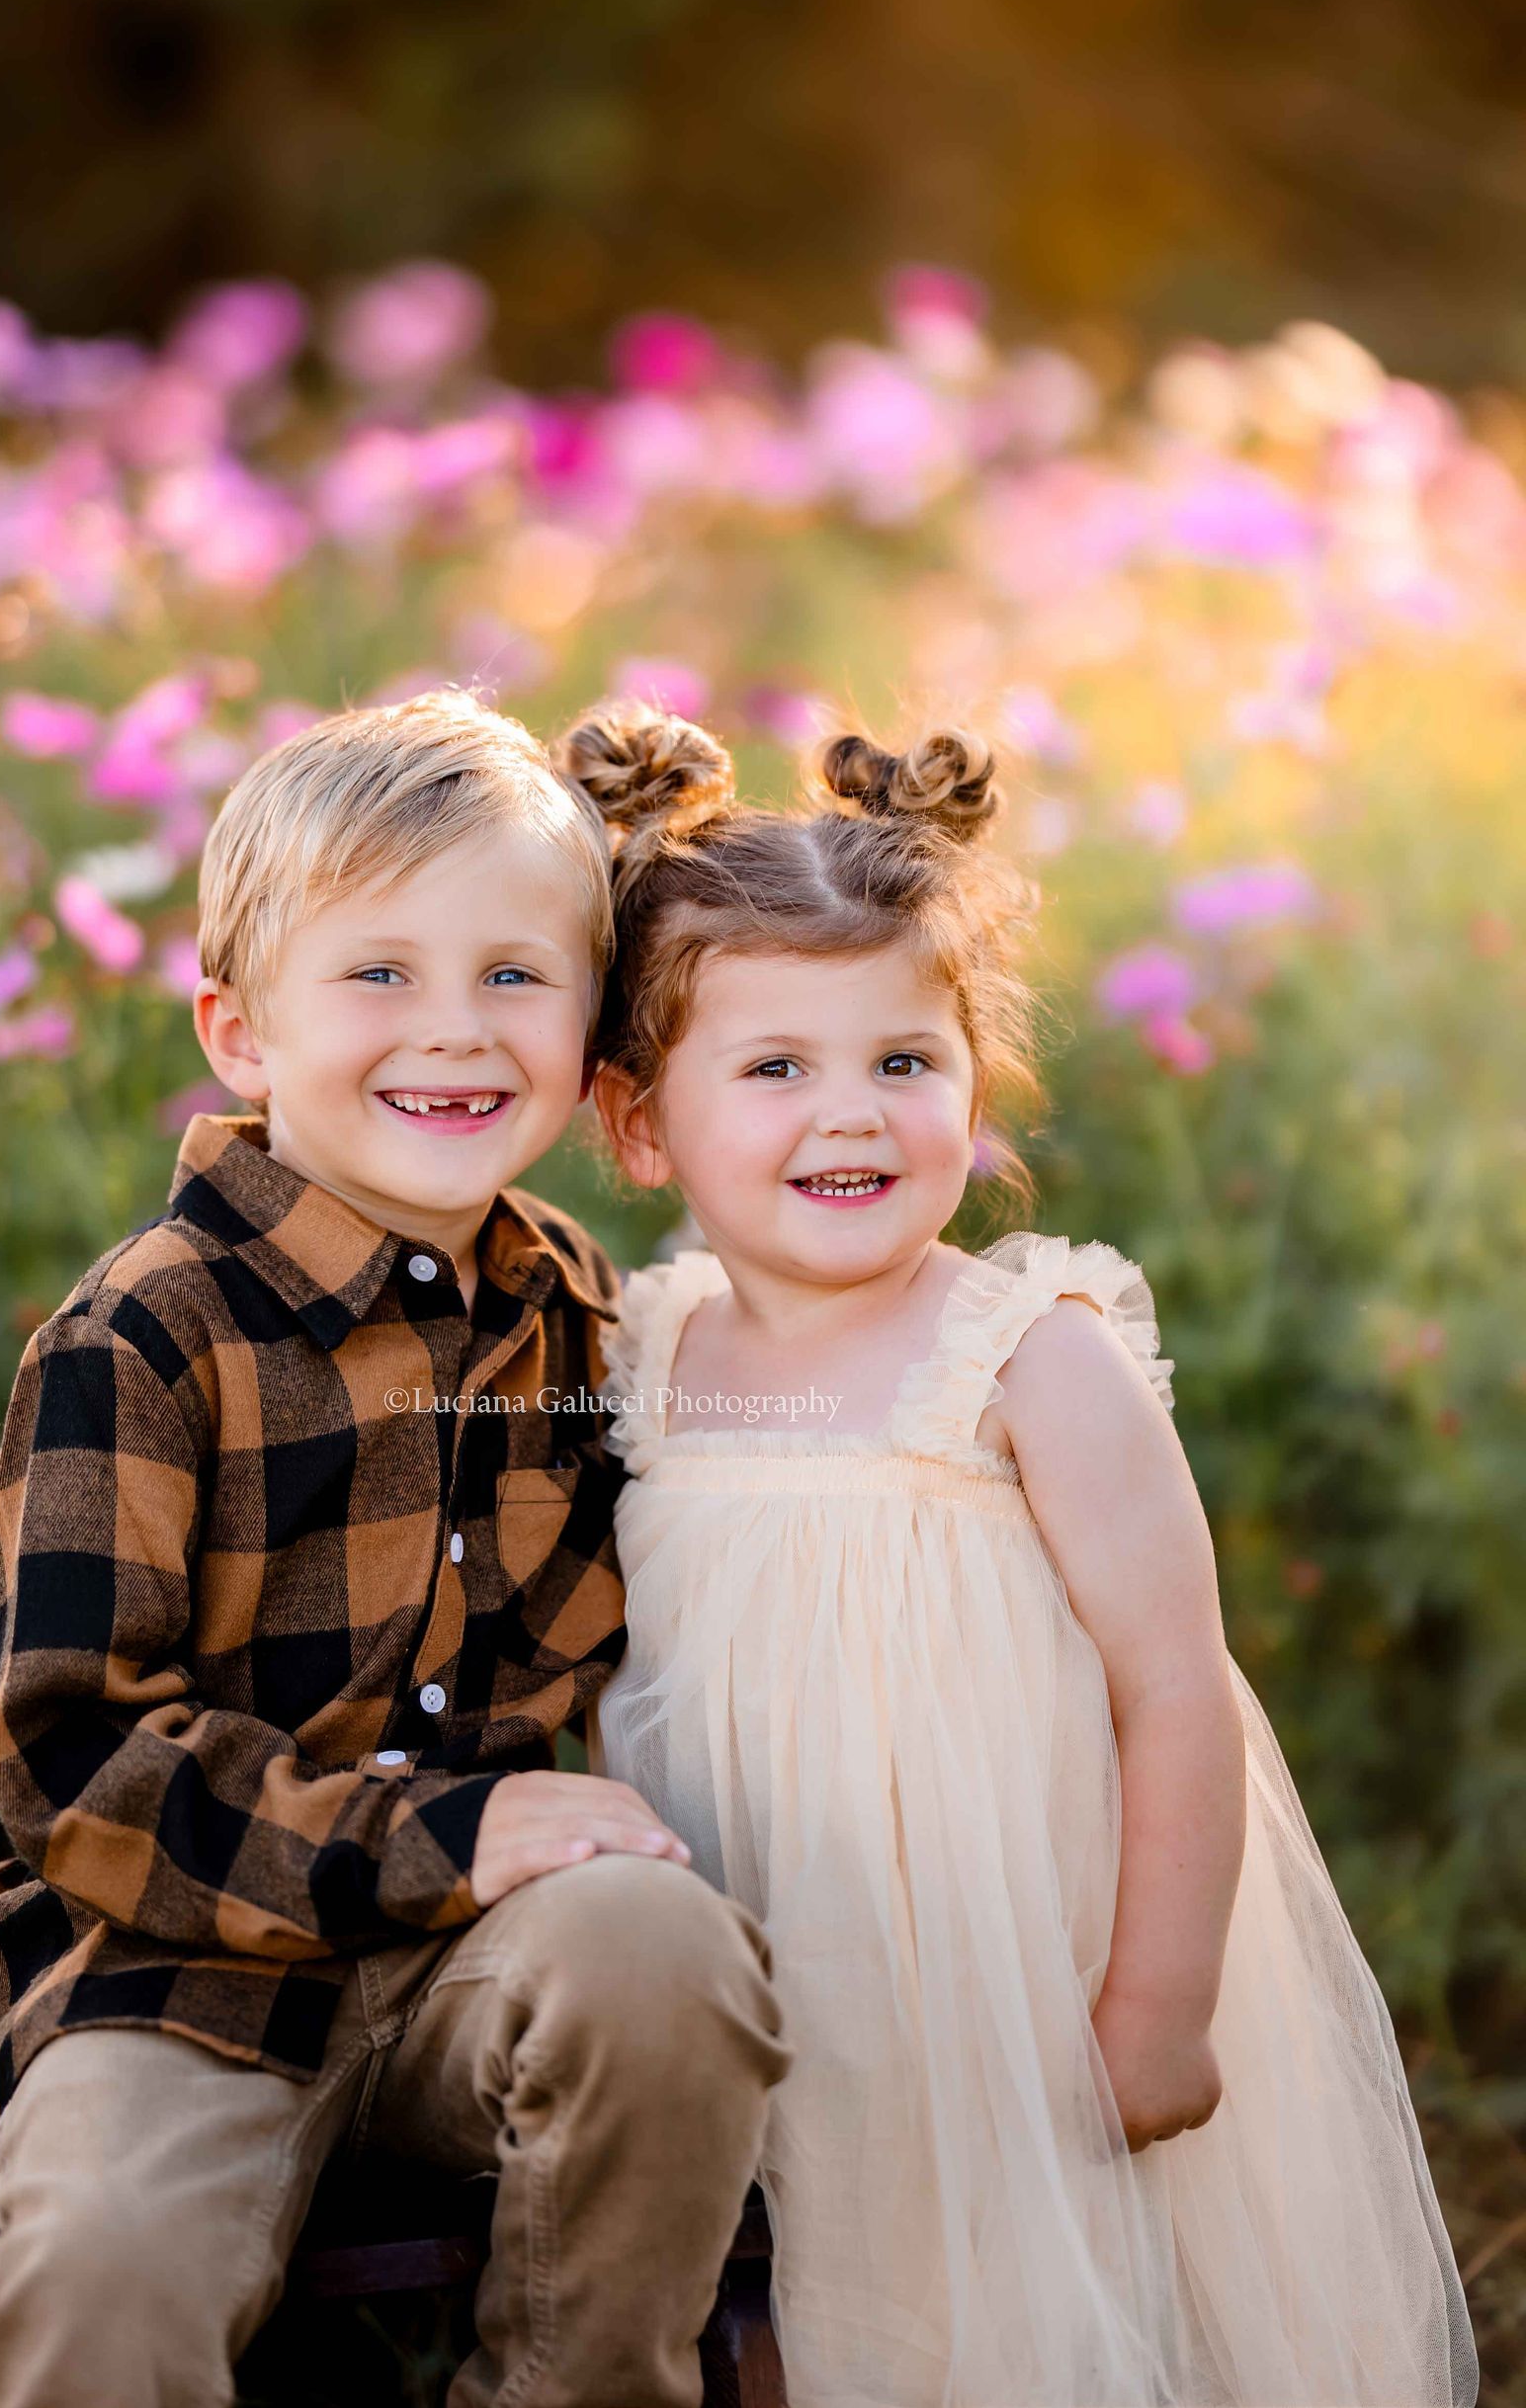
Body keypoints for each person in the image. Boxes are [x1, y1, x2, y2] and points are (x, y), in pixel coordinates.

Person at [568, 701, 1478, 2407]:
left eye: (905, 1061)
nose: (854, 1115)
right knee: (829, 2307)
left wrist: (1160, 1995)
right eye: (776, 1068)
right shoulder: (649, 1350)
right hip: (782, 1973)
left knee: (1050, 2321)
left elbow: (1172, 1685)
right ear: (637, 1124)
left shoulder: (1025, 1355)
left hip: (1029, 1976)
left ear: (975, 1082)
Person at [0, 691, 788, 2408]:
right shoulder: (146, 1337)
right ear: (241, 1029)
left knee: (665, 1954)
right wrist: (451, 1830)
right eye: (380, 973)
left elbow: (681, 1613)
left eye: (513, 975)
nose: (457, 1031)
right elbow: (78, 1764)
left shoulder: (576, 1310)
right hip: (173, 1977)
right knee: (100, 2270)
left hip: (474, 1968)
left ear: (590, 1024)